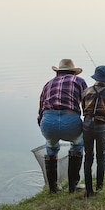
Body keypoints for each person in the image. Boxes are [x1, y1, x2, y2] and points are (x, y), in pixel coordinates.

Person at [37, 58, 88, 193]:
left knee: (51, 148)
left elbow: (41, 109)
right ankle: (73, 186)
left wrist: (44, 127)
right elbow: (87, 104)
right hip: (70, 121)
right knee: (77, 145)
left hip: (48, 121)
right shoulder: (79, 81)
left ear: (58, 73)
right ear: (73, 72)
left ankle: (53, 188)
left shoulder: (48, 84)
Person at [81, 65, 105, 197]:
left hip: (87, 125)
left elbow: (83, 108)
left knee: (88, 157)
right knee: (101, 156)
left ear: (95, 77)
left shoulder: (86, 91)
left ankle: (88, 190)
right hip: (102, 126)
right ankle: (100, 188)